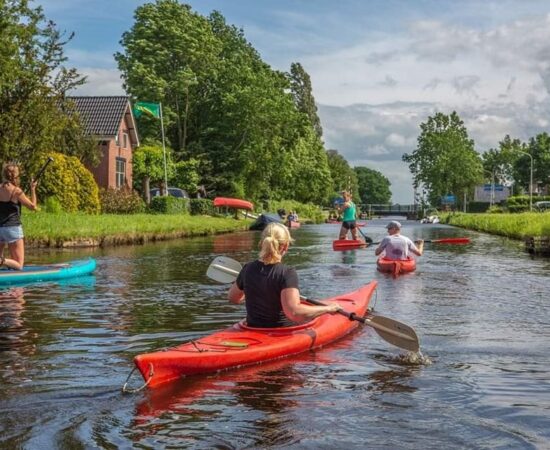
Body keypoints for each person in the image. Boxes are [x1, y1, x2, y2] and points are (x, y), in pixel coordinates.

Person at [228, 222, 341, 327]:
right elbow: (294, 313)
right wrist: (328, 309)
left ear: (261, 243)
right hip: (281, 332)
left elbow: (233, 298)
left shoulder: (247, 268)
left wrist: (255, 290)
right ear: (286, 246)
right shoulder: (287, 273)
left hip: (252, 328)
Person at [0, 163, 38, 270]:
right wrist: (33, 189)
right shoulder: (16, 191)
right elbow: (33, 207)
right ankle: (2, 260)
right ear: (16, 176)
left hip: (0, 228)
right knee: (19, 265)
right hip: (13, 228)